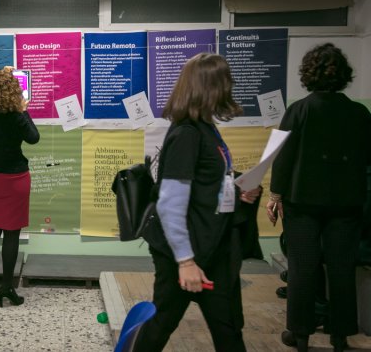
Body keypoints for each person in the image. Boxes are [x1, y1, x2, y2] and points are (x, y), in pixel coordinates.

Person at [135, 53, 259, 352]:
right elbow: (170, 204)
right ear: (211, 87)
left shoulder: (205, 128)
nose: (230, 88)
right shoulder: (187, 134)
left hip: (213, 248)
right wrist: (186, 262)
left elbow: (205, 183)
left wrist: (237, 189)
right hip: (184, 253)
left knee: (229, 328)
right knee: (161, 324)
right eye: (226, 82)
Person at [266, 43, 371, 352]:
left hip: (302, 203)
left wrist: (275, 195)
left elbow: (282, 158)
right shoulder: (359, 113)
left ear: (308, 75)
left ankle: (300, 336)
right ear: (344, 75)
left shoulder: (299, 110)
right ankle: (340, 336)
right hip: (347, 203)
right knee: (341, 269)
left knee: (302, 268)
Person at [0, 66, 40, 307]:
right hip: (14, 178)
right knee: (11, 232)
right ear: (15, 92)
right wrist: (23, 109)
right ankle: (7, 287)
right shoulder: (15, 113)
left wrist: (0, 74)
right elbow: (34, 137)